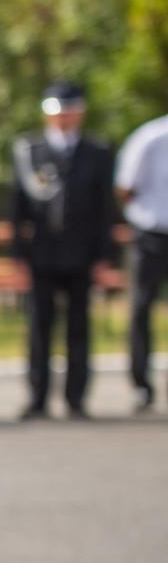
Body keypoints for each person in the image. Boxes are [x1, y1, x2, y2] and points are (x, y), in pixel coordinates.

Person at [12, 81, 117, 420]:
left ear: (80, 112)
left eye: (70, 111)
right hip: (42, 255)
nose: (64, 119)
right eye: (58, 112)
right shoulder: (30, 150)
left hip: (82, 255)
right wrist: (19, 255)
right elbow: (19, 208)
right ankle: (38, 396)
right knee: (39, 327)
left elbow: (105, 210)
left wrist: (105, 257)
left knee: (78, 327)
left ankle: (76, 397)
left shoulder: (97, 153)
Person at [115, 110, 168, 413]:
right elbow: (125, 186)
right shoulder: (151, 136)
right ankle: (141, 384)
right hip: (151, 235)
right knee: (141, 309)